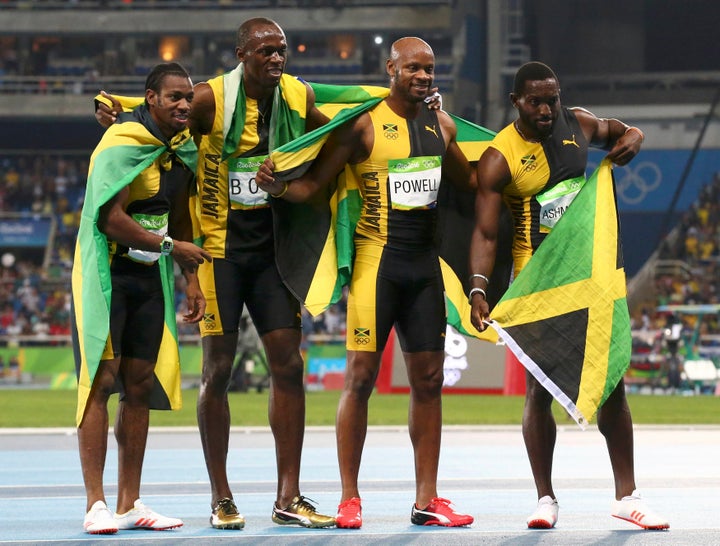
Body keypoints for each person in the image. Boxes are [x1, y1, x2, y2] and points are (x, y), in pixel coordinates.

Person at [95, 17, 336, 529]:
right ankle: (221, 496)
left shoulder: (294, 97)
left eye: (283, 51)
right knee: (218, 371)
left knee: (288, 366)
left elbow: (338, 124)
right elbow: (160, 114)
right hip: (219, 254)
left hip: (271, 254)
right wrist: (117, 109)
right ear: (241, 54)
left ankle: (288, 495)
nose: (277, 59)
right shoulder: (208, 99)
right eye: (266, 51)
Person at [255, 37, 475, 529]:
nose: (422, 76)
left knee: (430, 382)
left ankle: (427, 499)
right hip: (377, 267)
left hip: (425, 272)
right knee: (359, 379)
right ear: (391, 68)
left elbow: (469, 184)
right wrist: (281, 188)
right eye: (413, 68)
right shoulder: (364, 125)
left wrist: (452, 137)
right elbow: (316, 188)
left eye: (430, 69)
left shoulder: (441, 124)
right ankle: (349, 498)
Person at [468, 61, 669, 530]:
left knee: (611, 381)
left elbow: (622, 130)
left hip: (589, 275)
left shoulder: (576, 123)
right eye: (535, 101)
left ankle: (627, 495)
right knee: (540, 391)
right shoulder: (500, 157)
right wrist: (479, 287)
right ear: (516, 101)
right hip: (537, 284)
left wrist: (633, 138)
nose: (545, 108)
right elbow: (485, 232)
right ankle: (545, 499)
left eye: (551, 98)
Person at [74, 62, 212, 535]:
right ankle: (96, 504)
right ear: (150, 98)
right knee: (101, 379)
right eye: (173, 97)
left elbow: (180, 215)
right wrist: (173, 248)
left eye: (188, 98)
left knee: (138, 384)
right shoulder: (121, 143)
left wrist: (191, 279)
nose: (183, 105)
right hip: (106, 274)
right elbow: (109, 218)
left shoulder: (181, 150)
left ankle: (130, 503)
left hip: (149, 278)